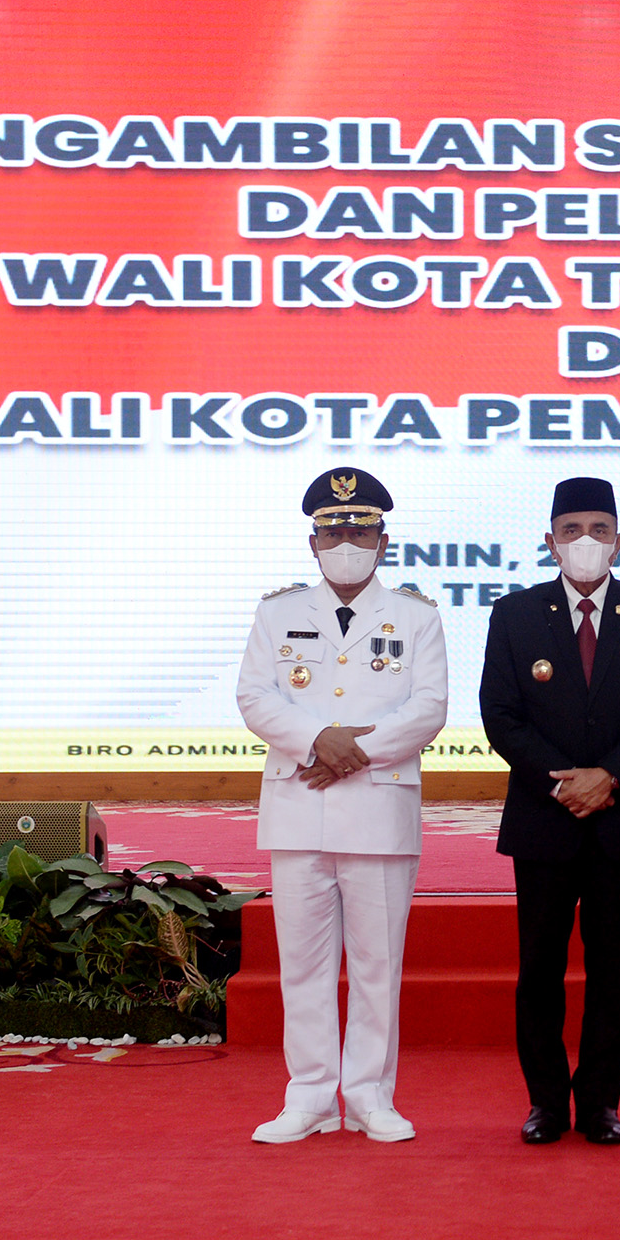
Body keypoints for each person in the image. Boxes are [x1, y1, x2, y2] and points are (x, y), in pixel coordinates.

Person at [236, 466, 448, 1144]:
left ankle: (368, 1096)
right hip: (299, 805)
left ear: (384, 539)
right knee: (302, 964)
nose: (348, 540)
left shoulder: (417, 615)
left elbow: (430, 708)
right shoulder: (277, 613)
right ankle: (308, 1095)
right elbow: (254, 697)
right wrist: (315, 741)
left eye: (361, 529)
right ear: (313, 542)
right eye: (336, 530)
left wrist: (350, 751)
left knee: (378, 965)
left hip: (379, 807)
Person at [479, 476, 620, 1145]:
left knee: (611, 966)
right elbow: (501, 717)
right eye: (571, 531)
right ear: (550, 542)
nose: (585, 542)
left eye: (599, 529)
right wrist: (563, 783)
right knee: (538, 966)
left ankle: (599, 1102)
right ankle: (545, 1102)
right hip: (546, 817)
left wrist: (610, 778)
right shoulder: (514, 614)